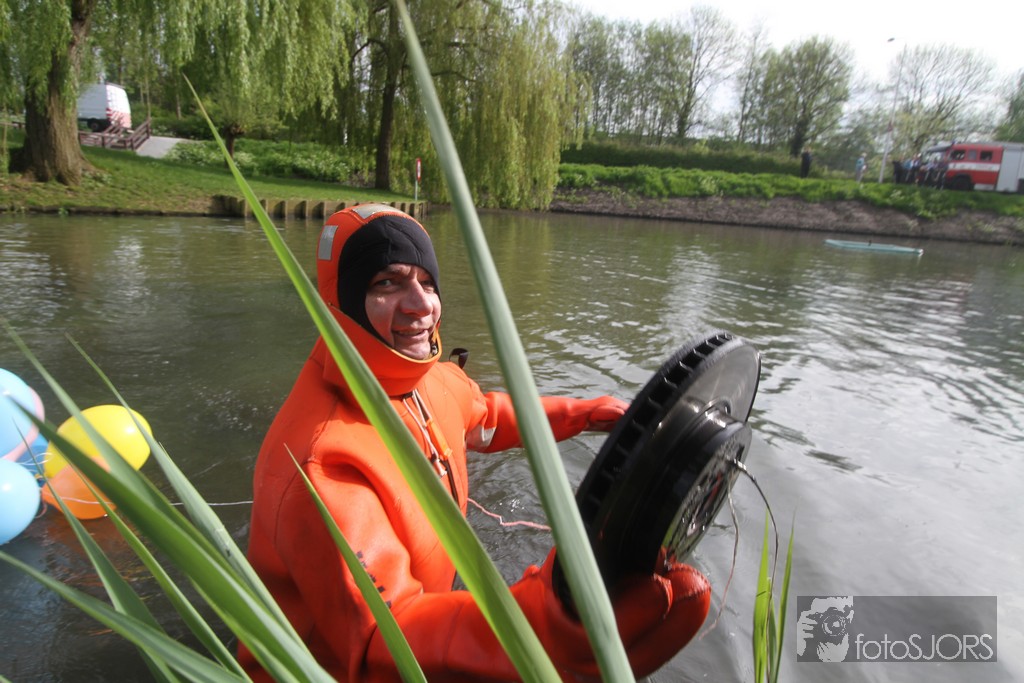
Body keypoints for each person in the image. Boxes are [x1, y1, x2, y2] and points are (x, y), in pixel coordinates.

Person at [241, 203, 711, 682]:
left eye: (427, 282)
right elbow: (387, 634)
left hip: (431, 618)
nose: (421, 305)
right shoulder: (321, 464)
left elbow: (487, 418)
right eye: (387, 283)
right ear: (341, 300)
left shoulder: (431, 382)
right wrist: (551, 619)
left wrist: (588, 414)